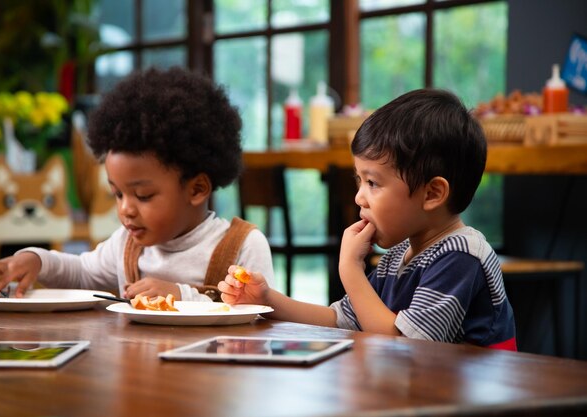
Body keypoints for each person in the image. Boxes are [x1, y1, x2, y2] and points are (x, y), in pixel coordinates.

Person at [220, 88, 517, 350]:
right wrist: (266, 300)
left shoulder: (460, 256)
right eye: (359, 181)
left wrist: (350, 270)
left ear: (432, 194)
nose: (359, 197)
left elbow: (410, 347)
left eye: (372, 183)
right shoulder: (398, 255)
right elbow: (342, 321)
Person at [0, 67, 275, 301]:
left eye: (143, 195)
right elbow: (82, 271)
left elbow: (262, 315)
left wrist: (182, 296)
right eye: (117, 194)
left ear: (197, 189)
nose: (125, 210)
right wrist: (36, 260)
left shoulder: (241, 246)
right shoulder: (127, 246)